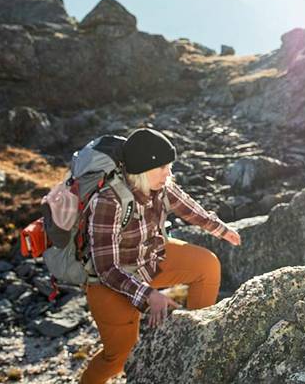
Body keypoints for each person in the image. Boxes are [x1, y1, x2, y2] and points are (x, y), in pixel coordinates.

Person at [80, 128, 241, 384]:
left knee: (207, 265)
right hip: (111, 284)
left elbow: (187, 206)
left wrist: (221, 229)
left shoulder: (161, 185)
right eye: (163, 167)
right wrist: (148, 295)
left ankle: (198, 339)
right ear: (142, 170)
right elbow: (106, 269)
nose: (169, 173)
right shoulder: (108, 202)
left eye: (169, 166)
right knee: (119, 356)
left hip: (151, 259)